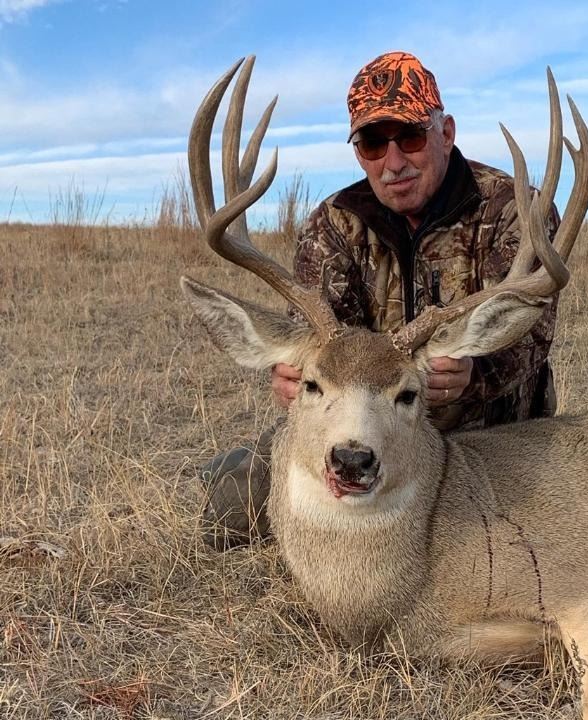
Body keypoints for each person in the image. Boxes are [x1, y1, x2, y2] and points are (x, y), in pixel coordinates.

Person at [200, 51, 558, 549]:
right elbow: (320, 343)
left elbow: (530, 330)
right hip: (364, 426)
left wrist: (476, 374)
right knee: (229, 515)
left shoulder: (513, 210)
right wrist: (297, 372)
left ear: (446, 132)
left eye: (410, 137)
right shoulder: (334, 223)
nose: (393, 163)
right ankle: (231, 468)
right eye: (372, 144)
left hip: (488, 428)